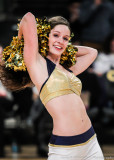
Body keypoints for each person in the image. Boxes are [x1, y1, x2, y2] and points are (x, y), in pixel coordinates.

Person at [0, 12, 104, 159]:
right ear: (44, 37)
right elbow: (28, 18)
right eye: (55, 35)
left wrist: (63, 47)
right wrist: (21, 44)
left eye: (65, 38)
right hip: (65, 148)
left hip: (91, 142)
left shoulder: (68, 68)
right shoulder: (38, 65)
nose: (60, 40)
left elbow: (92, 52)